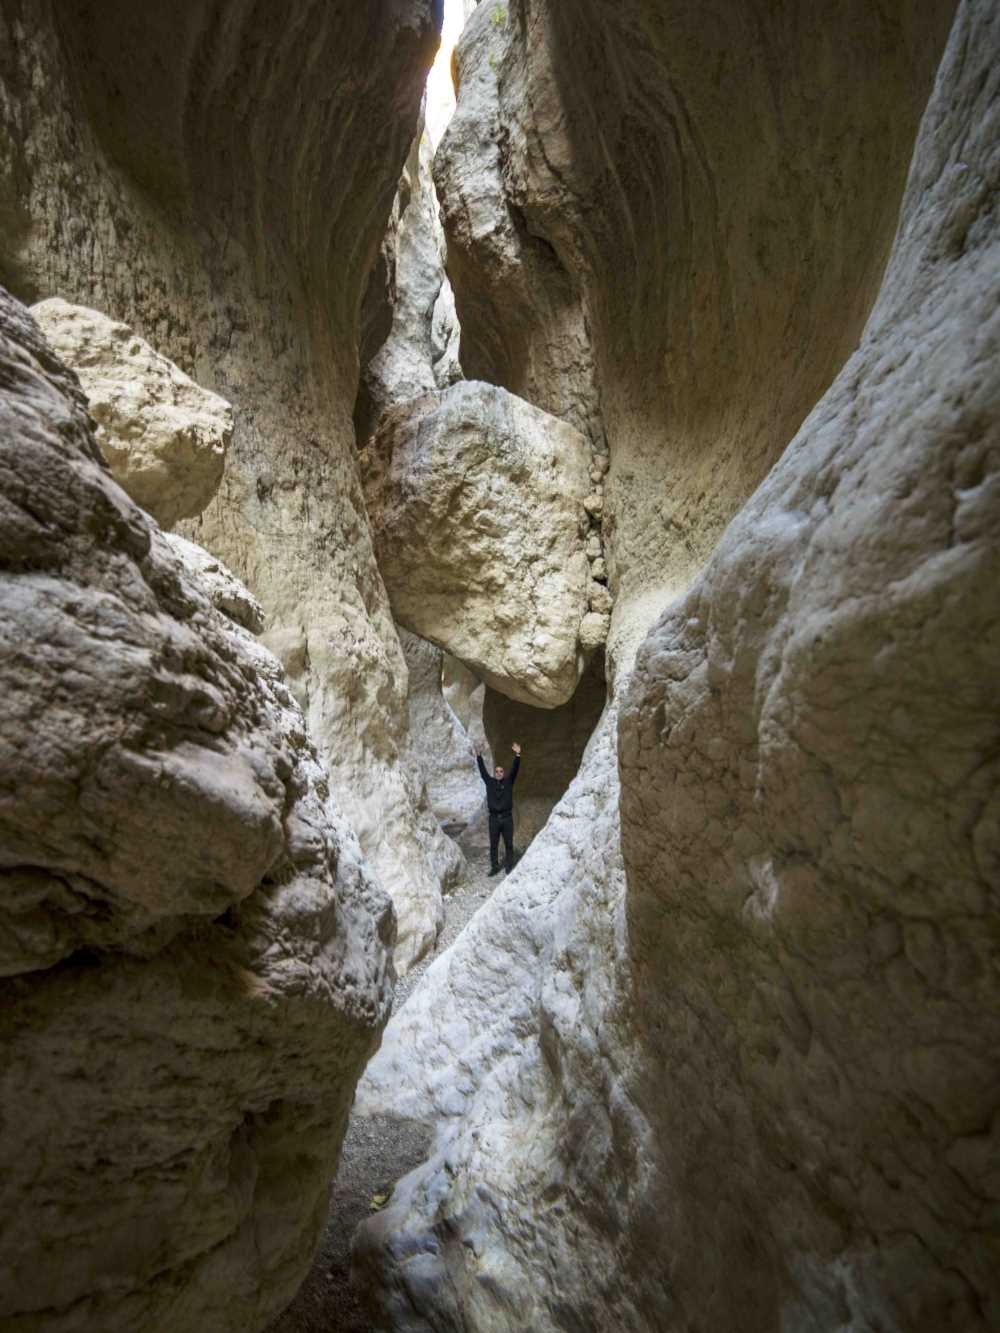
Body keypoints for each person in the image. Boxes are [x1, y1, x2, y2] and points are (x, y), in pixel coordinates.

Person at [476, 742, 521, 876]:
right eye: (497, 771)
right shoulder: (489, 782)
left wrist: (518, 754)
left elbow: (515, 770)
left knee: (509, 843)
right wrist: (478, 756)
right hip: (494, 819)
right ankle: (494, 867)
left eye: (501, 771)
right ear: (494, 773)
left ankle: (508, 867)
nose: (499, 773)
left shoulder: (508, 782)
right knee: (494, 845)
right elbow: (483, 771)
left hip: (507, 818)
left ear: (503, 773)